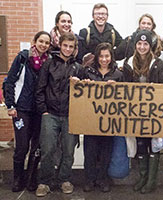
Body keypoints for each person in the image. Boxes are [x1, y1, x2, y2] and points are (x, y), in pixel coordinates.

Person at [35, 32, 82, 197]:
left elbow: (86, 91)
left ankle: (64, 180)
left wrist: (84, 83)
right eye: (65, 45)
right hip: (51, 114)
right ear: (60, 46)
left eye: (71, 46)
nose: (68, 49)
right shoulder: (48, 64)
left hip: (70, 116)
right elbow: (40, 89)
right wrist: (43, 111)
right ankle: (45, 182)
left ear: (74, 48)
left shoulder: (78, 67)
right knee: (48, 149)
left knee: (68, 150)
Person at [4, 31, 51, 192]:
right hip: (21, 109)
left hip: (39, 111)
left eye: (47, 43)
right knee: (22, 147)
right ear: (35, 41)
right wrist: (10, 105)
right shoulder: (23, 57)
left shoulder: (48, 61)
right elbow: (9, 81)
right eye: (41, 41)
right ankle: (18, 179)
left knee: (36, 147)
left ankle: (31, 178)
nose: (44, 45)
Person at [122, 30, 163, 194]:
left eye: (145, 44)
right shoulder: (128, 63)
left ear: (150, 46)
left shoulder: (158, 63)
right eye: (139, 44)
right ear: (135, 45)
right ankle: (143, 176)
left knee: (154, 145)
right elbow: (124, 87)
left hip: (154, 112)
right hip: (137, 113)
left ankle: (151, 180)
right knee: (141, 143)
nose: (142, 47)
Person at [77, 43, 123, 193]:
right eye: (101, 56)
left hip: (109, 121)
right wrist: (85, 84)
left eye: (107, 56)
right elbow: (79, 93)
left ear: (111, 57)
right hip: (91, 120)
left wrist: (117, 87)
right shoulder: (87, 71)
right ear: (97, 57)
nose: (104, 59)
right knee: (89, 152)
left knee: (106, 152)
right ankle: (89, 180)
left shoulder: (118, 74)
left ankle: (103, 179)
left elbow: (125, 97)